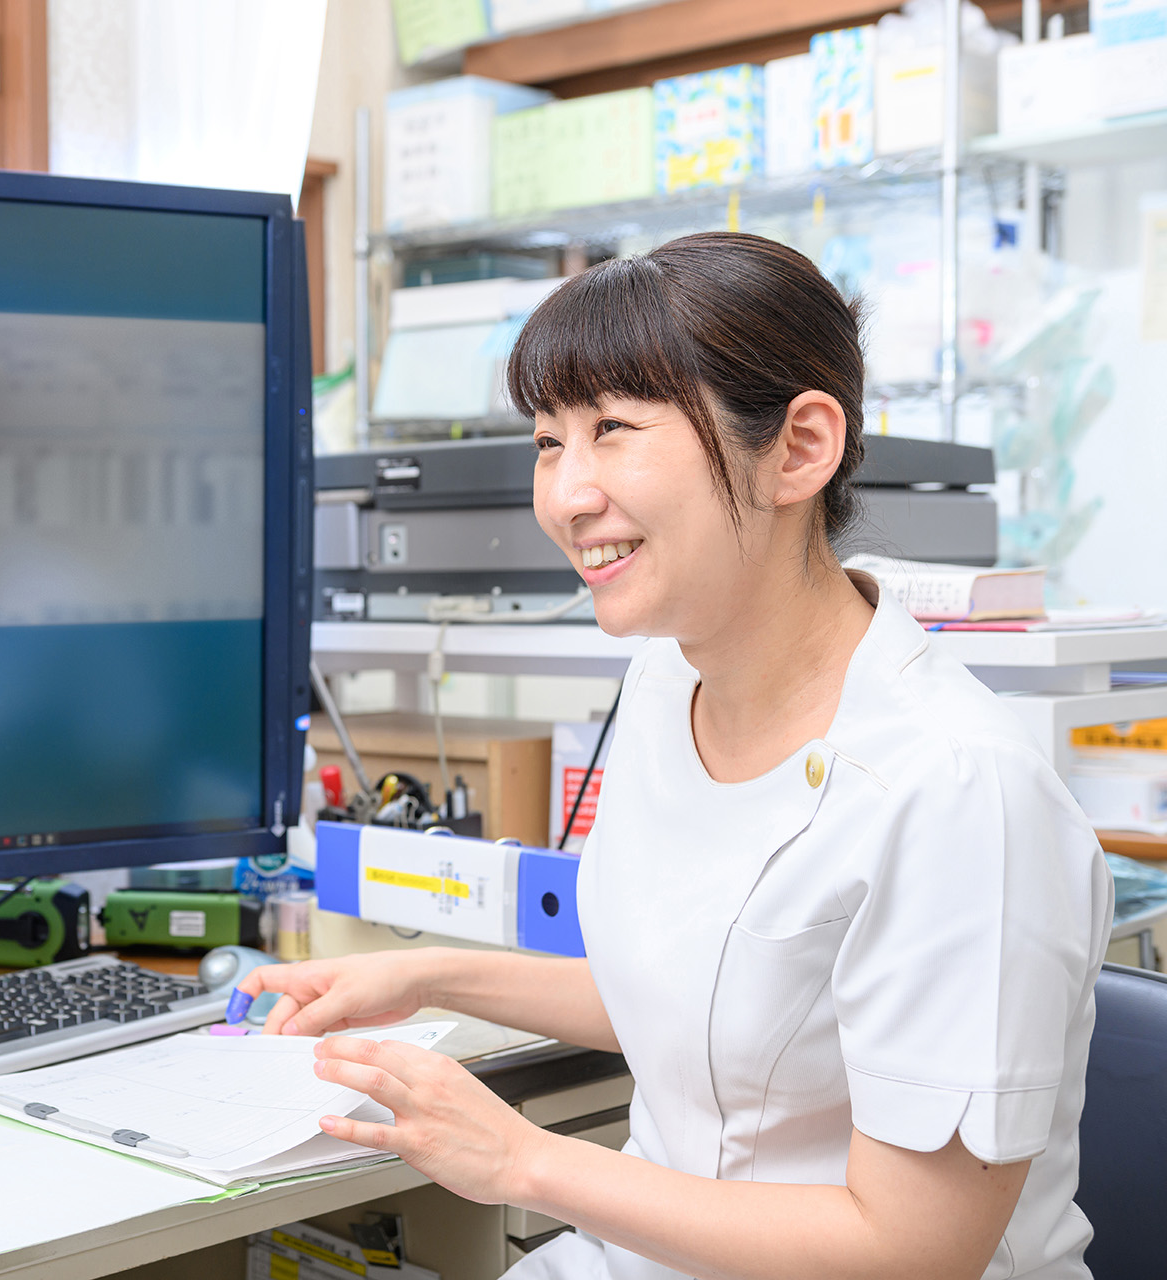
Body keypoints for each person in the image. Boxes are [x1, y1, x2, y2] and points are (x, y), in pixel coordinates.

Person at [239, 232, 1111, 1280]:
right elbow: (695, 991)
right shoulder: (666, 682)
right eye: (548, 440)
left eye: (612, 428)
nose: (565, 494)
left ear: (798, 449)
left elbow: (914, 1249)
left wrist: (522, 1158)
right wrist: (424, 974)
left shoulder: (957, 790)